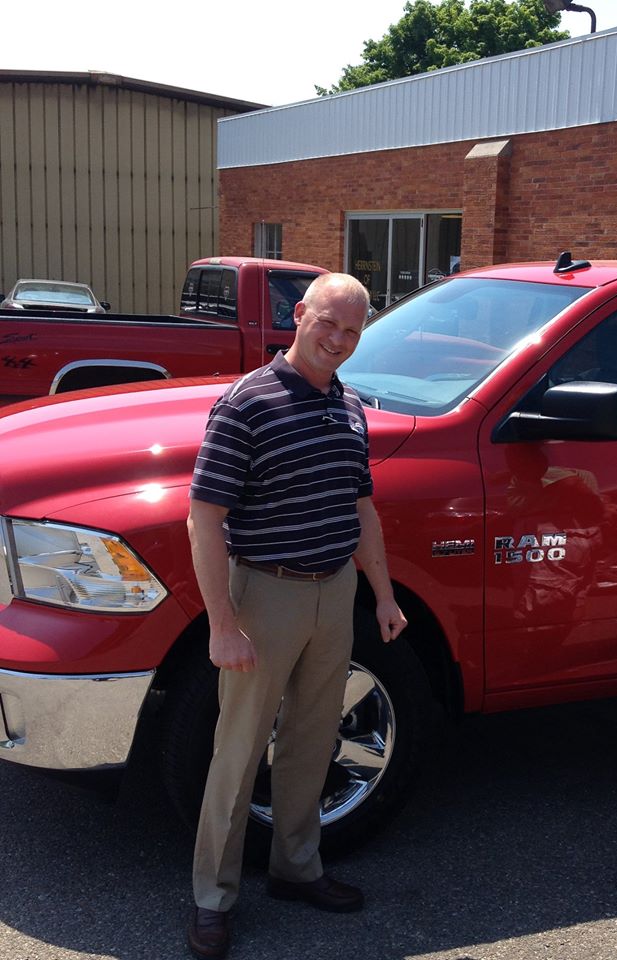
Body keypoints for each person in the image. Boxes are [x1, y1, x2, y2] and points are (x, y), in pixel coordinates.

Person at [185, 273, 407, 959]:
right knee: (240, 749)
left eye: (352, 330)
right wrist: (223, 624)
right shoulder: (246, 403)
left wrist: (385, 594)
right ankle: (212, 900)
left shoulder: (348, 405)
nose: (338, 340)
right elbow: (204, 519)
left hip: (333, 590)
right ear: (300, 316)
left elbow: (361, 507)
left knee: (312, 740)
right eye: (328, 324)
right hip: (265, 595)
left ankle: (297, 868)